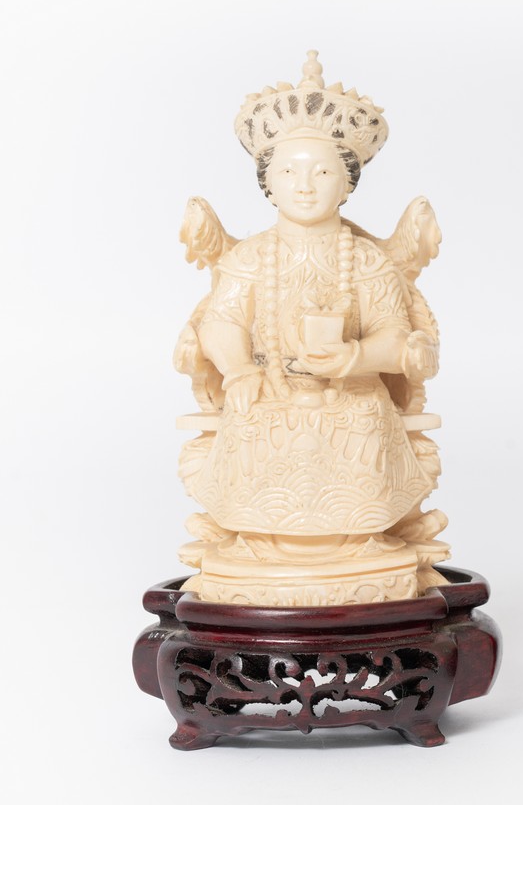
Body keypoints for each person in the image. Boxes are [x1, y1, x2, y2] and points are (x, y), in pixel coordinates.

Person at [174, 52, 445, 605]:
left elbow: (396, 335)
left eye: (321, 172)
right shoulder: (250, 258)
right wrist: (239, 369)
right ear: (267, 183)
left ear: (346, 183)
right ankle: (256, 539)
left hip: (350, 392)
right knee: (253, 417)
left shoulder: (365, 260)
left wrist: (354, 358)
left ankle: (362, 537)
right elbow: (221, 321)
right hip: (266, 385)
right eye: (288, 172)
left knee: (362, 417)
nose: (304, 186)